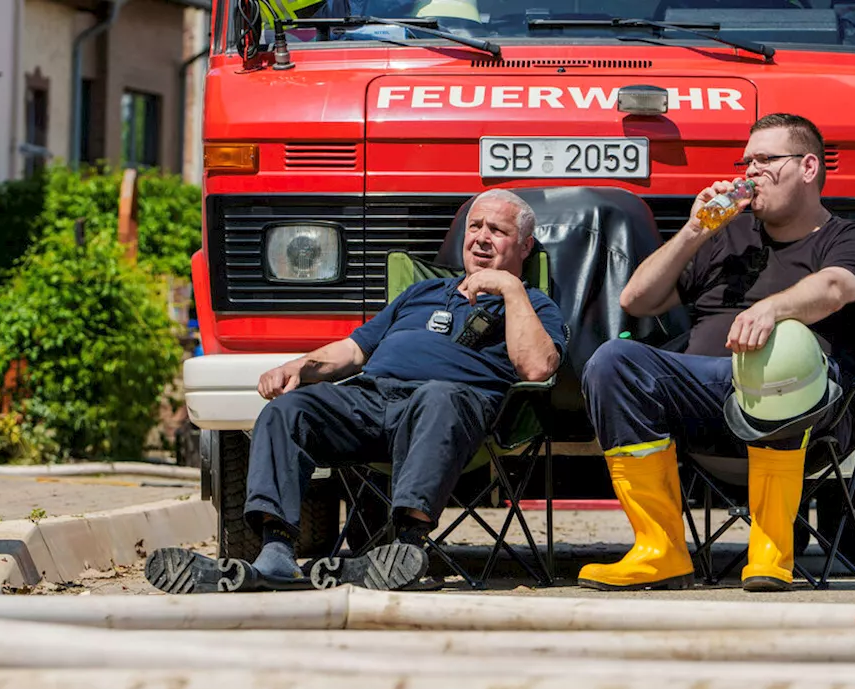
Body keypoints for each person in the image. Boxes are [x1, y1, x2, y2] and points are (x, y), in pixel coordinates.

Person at [146, 190, 566, 594]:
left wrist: (510, 290)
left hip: (449, 411)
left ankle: (406, 547)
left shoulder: (533, 305)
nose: (481, 237)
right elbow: (354, 349)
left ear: (525, 246)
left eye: (497, 230)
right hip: (371, 398)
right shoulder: (421, 293)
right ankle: (276, 553)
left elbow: (537, 366)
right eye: (475, 226)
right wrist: (299, 367)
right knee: (289, 410)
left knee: (438, 396)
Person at [579, 112, 855, 593]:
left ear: (807, 167)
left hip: (805, 411)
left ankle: (771, 550)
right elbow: (635, 299)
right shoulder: (726, 239)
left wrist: (774, 310)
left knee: (779, 350)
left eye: (765, 160)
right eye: (746, 162)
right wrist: (695, 231)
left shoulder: (848, 238)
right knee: (613, 361)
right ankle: (659, 551)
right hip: (706, 401)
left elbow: (834, 287)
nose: (750, 172)